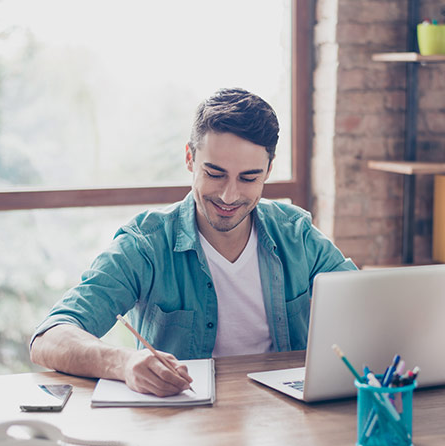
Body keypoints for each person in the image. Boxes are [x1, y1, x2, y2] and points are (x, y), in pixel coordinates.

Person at [30, 88, 356, 396]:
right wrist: (123, 361)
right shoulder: (147, 244)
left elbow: (365, 305)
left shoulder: (295, 234)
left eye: (248, 178)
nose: (229, 195)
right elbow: (50, 337)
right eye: (215, 174)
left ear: (269, 170)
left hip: (284, 422)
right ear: (190, 158)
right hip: (181, 426)